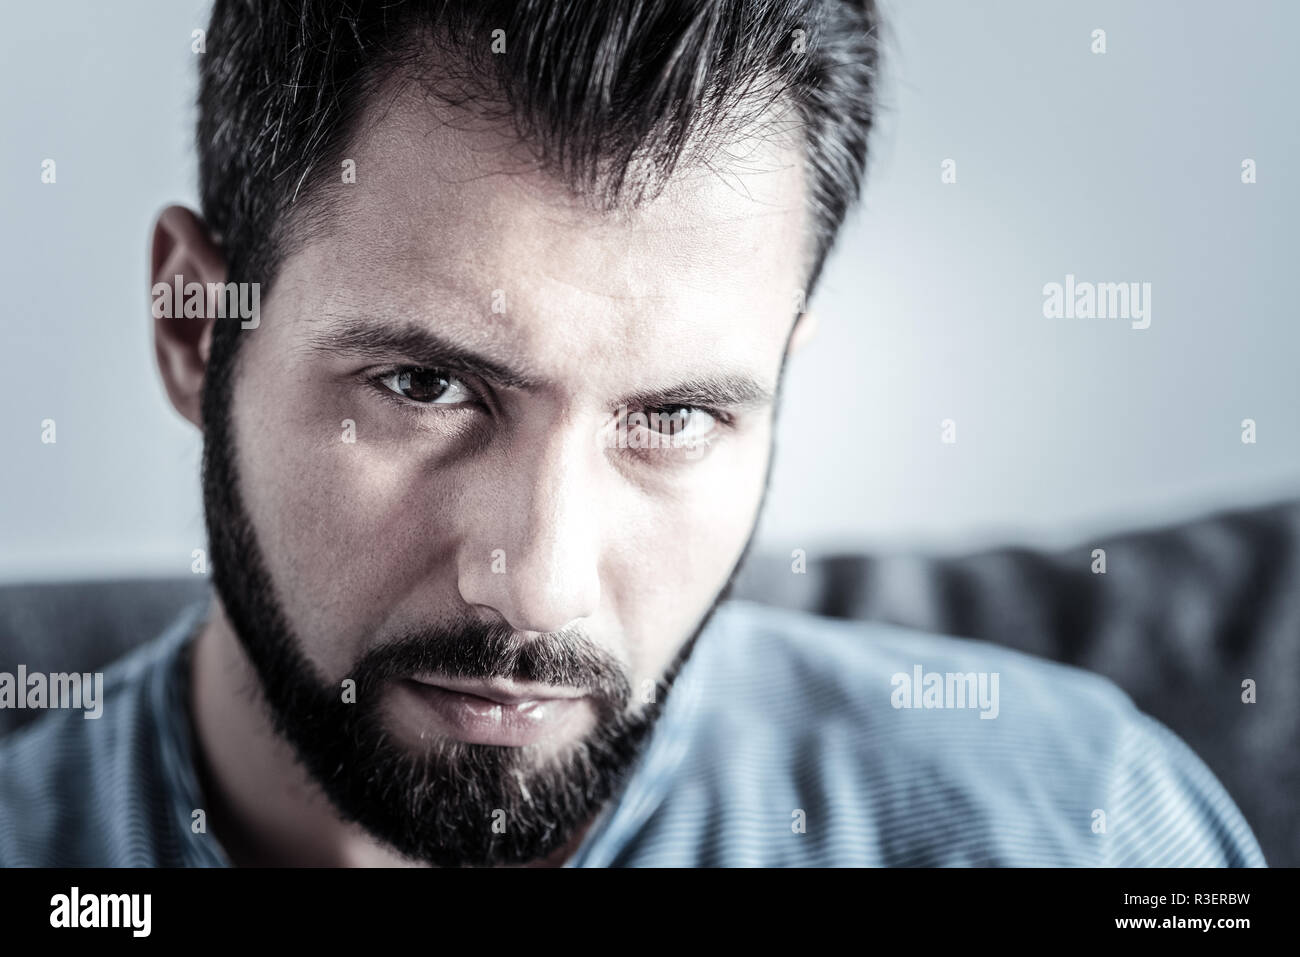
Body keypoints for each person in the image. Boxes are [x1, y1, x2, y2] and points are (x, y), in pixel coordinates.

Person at [0, 0, 1265, 867]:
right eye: (425, 388)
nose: (538, 586)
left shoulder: (1073, 825)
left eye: (672, 415)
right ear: (192, 327)